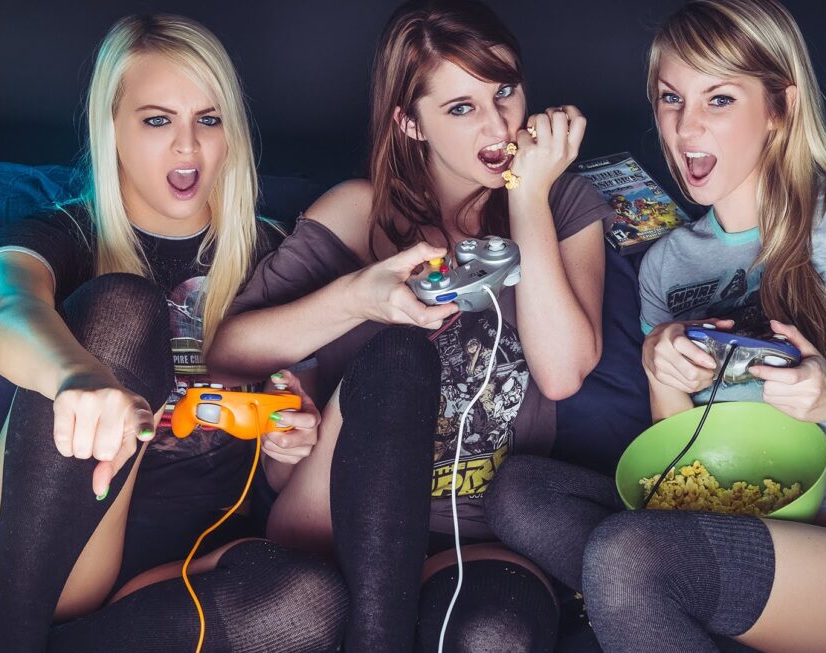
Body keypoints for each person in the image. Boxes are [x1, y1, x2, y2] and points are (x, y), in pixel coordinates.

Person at [482, 0, 826, 651]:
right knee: (521, 491)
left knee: (628, 556)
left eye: (720, 99)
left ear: (779, 108)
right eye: (671, 98)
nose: (686, 126)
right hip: (755, 540)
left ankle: (656, 605)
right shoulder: (667, 266)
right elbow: (681, 455)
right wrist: (662, 365)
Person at [205, 1, 613, 650]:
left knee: (495, 635)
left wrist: (527, 194)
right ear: (409, 122)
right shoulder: (357, 212)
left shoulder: (560, 200)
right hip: (339, 515)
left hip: (477, 533)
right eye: (460, 107)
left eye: (505, 90)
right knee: (397, 357)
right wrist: (360, 298)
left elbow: (562, 372)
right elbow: (228, 352)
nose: (498, 123)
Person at [0, 14, 347, 653]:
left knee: (310, 600)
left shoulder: (275, 253)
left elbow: (282, 477)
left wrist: (288, 440)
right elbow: (3, 308)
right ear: (112, 130)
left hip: (178, 572)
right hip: (39, 559)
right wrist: (76, 375)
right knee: (125, 308)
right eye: (157, 120)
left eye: (208, 120)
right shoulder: (64, 234)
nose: (187, 147)